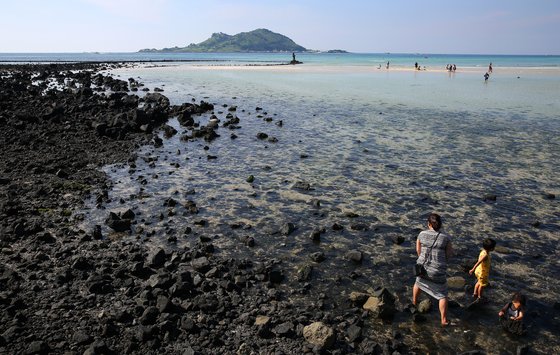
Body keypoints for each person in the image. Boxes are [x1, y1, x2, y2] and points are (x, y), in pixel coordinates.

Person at [412, 213, 454, 326]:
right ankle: (444, 320)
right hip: (437, 270)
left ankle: (414, 302)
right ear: (440, 224)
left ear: (428, 224)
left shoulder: (421, 234)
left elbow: (418, 251)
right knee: (442, 294)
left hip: (422, 268)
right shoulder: (446, 238)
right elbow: (449, 255)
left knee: (418, 283)